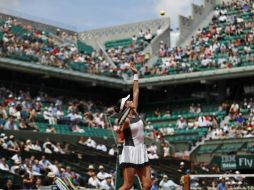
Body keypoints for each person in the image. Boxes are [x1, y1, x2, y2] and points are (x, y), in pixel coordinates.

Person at [114, 62, 152, 190]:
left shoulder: (133, 111)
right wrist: (127, 112)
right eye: (127, 101)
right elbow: (119, 127)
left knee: (147, 185)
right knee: (127, 185)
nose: (130, 101)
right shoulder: (124, 120)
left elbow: (136, 90)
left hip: (141, 149)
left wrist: (135, 75)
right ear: (124, 106)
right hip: (130, 151)